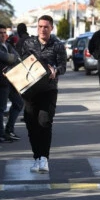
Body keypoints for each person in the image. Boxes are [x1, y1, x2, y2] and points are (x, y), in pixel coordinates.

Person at [20, 15, 67, 173]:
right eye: (40, 26)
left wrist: (56, 70)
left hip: (48, 89)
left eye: (46, 27)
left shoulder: (58, 45)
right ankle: (36, 157)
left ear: (51, 28)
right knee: (31, 124)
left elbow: (63, 66)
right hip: (30, 90)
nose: (42, 29)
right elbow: (22, 63)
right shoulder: (28, 43)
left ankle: (44, 158)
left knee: (45, 122)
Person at [0, 24, 24, 143]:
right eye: (0, 33)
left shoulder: (7, 45)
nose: (3, 35)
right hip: (1, 81)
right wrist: (11, 58)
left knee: (19, 103)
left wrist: (11, 58)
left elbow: (17, 58)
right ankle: (1, 134)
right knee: (1, 108)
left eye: (4, 32)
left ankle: (9, 130)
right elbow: (7, 58)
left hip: (11, 80)